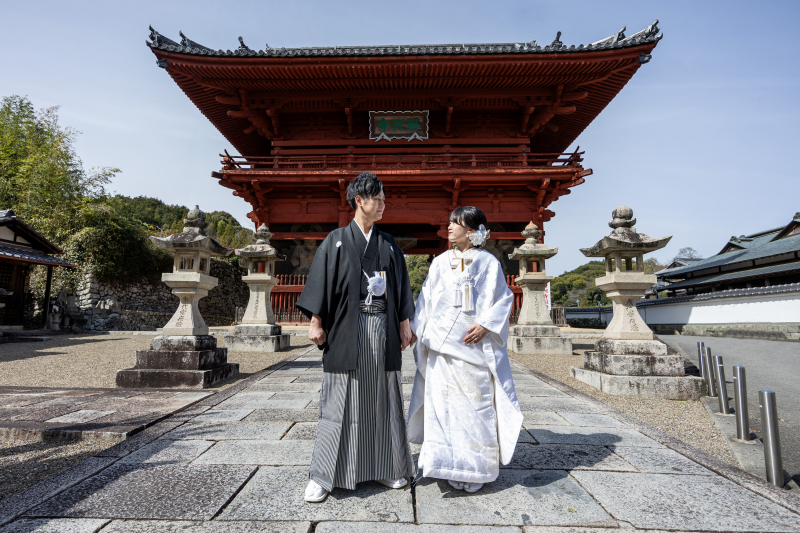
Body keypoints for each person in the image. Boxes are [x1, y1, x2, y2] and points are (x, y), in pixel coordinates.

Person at [296, 171, 416, 503]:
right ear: (358, 200)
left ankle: (385, 466)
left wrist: (405, 325)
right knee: (337, 402)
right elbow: (320, 284)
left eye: (383, 199)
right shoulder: (335, 240)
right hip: (347, 330)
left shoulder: (389, 244)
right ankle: (323, 474)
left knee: (382, 399)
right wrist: (315, 322)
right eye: (377, 199)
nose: (382, 204)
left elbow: (401, 287)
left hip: (382, 331)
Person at [408, 206, 523, 493]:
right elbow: (425, 301)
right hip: (441, 349)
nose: (448, 228)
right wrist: (415, 330)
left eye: (454, 223)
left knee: (476, 405)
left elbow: (502, 298)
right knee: (443, 408)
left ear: (471, 230)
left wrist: (486, 324)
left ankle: (476, 468)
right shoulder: (439, 262)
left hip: (473, 349)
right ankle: (445, 463)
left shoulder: (488, 263)